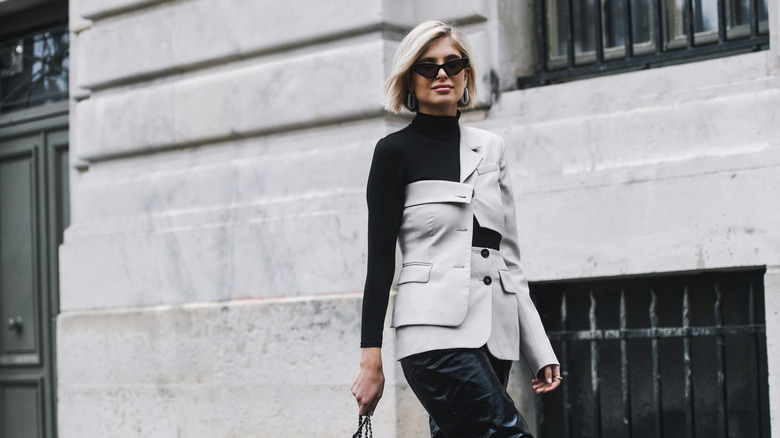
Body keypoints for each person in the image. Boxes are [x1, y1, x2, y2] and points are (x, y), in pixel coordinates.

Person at [351, 20, 561, 437]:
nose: (441, 74)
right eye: (427, 67)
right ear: (410, 79)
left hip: (493, 333)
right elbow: (379, 267)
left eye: (452, 63)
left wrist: (538, 347)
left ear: (466, 74)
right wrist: (370, 360)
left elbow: (508, 259)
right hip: (432, 335)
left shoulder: (492, 148)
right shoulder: (393, 152)